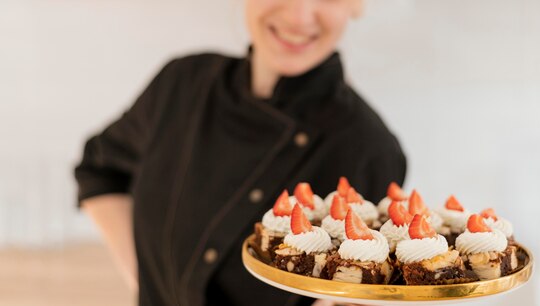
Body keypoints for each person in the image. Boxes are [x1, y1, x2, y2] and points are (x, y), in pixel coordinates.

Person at [74, 0, 406, 305]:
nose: (299, 16)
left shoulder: (369, 146)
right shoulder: (181, 84)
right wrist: (148, 280)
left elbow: (351, 286)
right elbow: (100, 171)